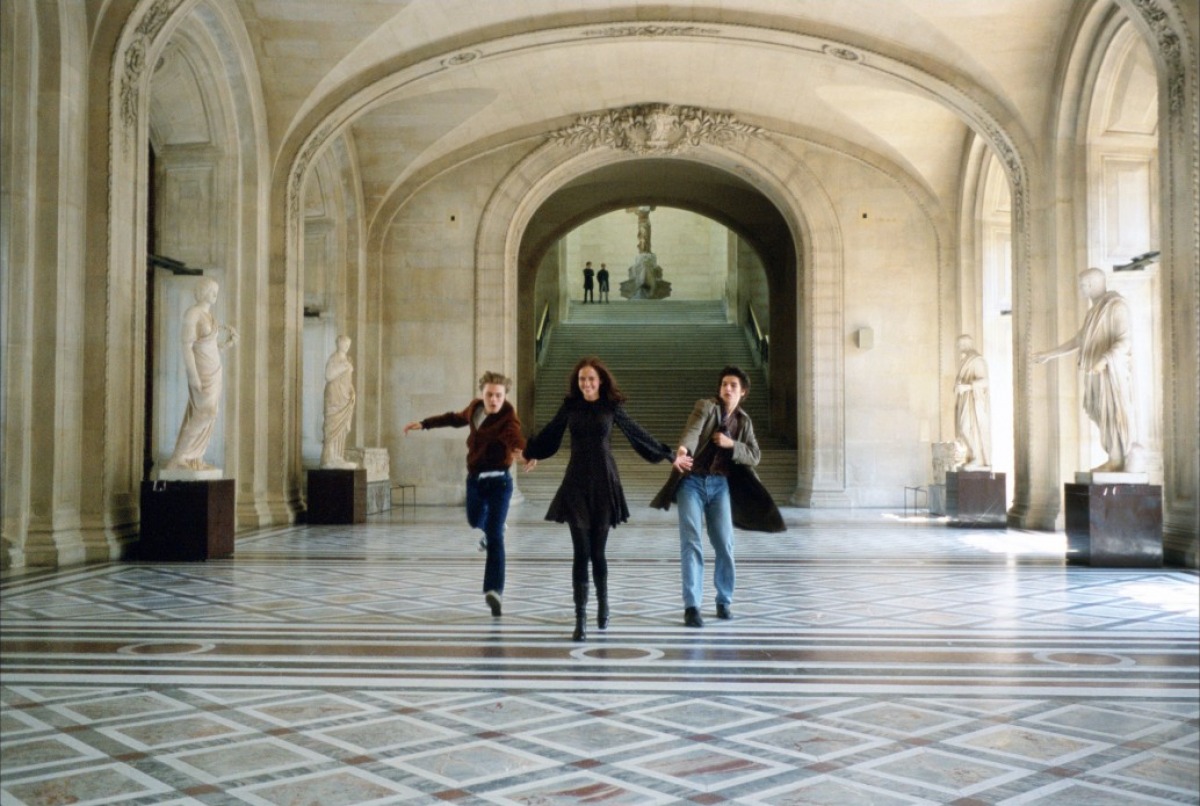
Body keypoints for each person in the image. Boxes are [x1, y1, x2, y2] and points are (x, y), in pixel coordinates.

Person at [524, 357, 674, 641]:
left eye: (591, 379)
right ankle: (580, 618)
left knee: (598, 553)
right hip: (576, 483)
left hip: (605, 483)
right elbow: (551, 433)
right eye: (582, 379)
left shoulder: (611, 407)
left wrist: (666, 454)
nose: (586, 384)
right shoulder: (571, 406)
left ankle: (603, 605)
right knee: (580, 552)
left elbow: (637, 433)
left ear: (601, 381)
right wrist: (532, 452)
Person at [651, 366, 784, 628]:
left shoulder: (744, 422)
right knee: (691, 542)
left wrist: (731, 444)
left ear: (743, 392)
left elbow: (755, 456)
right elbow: (692, 430)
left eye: (734, 385)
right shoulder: (706, 406)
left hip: (720, 485)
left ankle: (724, 600)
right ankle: (692, 606)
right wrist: (682, 450)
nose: (727, 388)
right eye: (724, 384)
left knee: (724, 543)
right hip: (691, 483)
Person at [404, 372, 535, 617]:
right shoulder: (475, 408)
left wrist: (526, 452)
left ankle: (494, 591)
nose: (494, 400)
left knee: (495, 536)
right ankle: (491, 528)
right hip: (475, 480)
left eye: (498, 395)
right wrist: (424, 424)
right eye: (489, 395)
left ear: (505, 396)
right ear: (482, 394)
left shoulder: (508, 419)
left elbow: (516, 439)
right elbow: (454, 418)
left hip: (500, 483)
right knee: (475, 520)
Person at [1034, 267, 1140, 472]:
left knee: (1112, 412)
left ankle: (1117, 459)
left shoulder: (1116, 306)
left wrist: (1104, 360)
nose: (1080, 290)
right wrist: (1050, 354)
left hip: (1110, 374)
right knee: (1100, 412)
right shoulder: (1093, 312)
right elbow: (1079, 340)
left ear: (1092, 284)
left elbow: (1125, 340)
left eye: (1082, 285)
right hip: (1095, 374)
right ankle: (1114, 457)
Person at [164, 277, 237, 471]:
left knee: (210, 415)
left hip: (214, 372)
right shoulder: (193, 314)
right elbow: (187, 346)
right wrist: (192, 375)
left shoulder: (209, 316)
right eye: (212, 291)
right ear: (203, 291)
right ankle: (177, 458)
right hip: (201, 372)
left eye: (216, 291)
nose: (215, 295)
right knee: (205, 412)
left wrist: (227, 344)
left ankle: (193, 457)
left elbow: (209, 346)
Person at [953, 334, 990, 470]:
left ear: (967, 344)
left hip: (972, 402)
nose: (959, 348)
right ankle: (971, 457)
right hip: (964, 400)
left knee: (966, 429)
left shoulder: (977, 360)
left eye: (961, 345)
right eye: (959, 346)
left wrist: (967, 386)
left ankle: (977, 458)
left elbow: (985, 381)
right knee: (962, 430)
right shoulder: (965, 361)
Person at [320, 335, 357, 469]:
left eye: (348, 344)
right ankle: (328, 459)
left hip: (344, 396)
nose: (347, 346)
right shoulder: (334, 358)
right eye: (344, 343)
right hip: (334, 396)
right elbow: (328, 375)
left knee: (341, 429)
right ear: (339, 344)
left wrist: (353, 391)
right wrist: (344, 366)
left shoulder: (347, 360)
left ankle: (338, 457)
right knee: (331, 426)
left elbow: (348, 380)